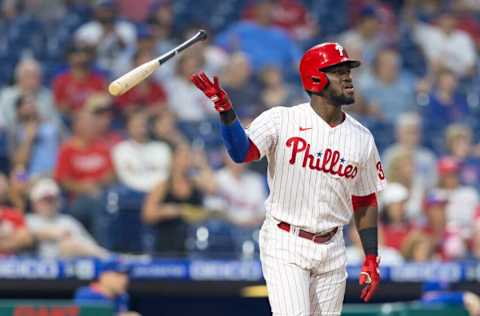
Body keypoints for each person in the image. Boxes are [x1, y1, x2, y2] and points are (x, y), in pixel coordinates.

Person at [191, 42, 387, 314]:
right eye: (338, 71)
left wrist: (370, 256)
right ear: (315, 78)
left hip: (332, 246)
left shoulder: (362, 138)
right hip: (286, 241)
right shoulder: (282, 120)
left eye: (348, 71)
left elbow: (365, 199)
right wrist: (227, 113)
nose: (347, 77)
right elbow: (242, 152)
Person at [142, 144, 215, 256]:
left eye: (188, 157)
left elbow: (212, 188)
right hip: (166, 244)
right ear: (173, 160)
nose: (186, 161)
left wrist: (201, 164)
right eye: (182, 157)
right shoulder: (163, 187)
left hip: (192, 244)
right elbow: (148, 214)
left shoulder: (195, 183)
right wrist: (176, 211)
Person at [26, 178, 109, 258]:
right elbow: (23, 237)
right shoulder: (28, 220)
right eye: (45, 200)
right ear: (34, 203)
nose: (49, 204)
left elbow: (89, 244)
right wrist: (49, 233)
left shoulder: (68, 221)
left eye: (52, 200)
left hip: (71, 266)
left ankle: (110, 258)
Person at [112, 110, 172, 193]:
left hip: (158, 192)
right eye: (136, 124)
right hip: (130, 193)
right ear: (128, 127)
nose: (140, 128)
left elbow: (163, 175)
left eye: (142, 124)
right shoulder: (121, 149)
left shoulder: (162, 148)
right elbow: (125, 177)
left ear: (149, 126)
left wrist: (153, 191)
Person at [74, 259, 140, 316]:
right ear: (103, 276)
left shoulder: (122, 297)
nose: (124, 280)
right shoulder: (86, 295)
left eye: (126, 275)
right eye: (118, 275)